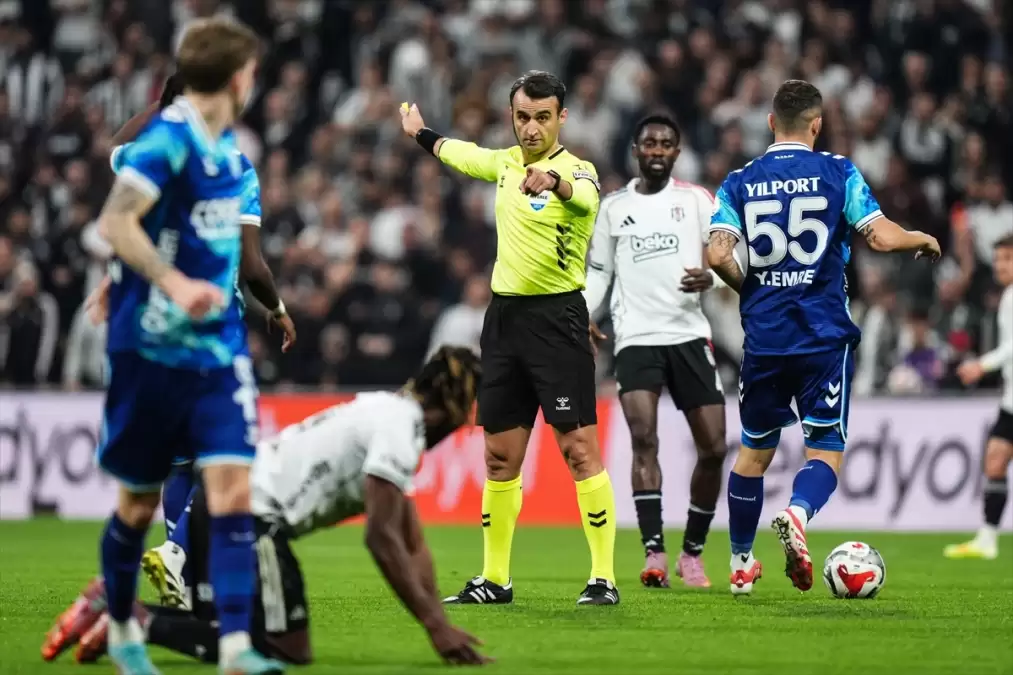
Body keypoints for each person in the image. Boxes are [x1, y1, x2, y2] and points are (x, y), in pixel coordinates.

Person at [41, 347, 492, 667]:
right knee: (286, 648)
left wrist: (440, 618)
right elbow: (382, 538)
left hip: (218, 505)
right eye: (467, 408)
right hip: (252, 520)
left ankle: (113, 605)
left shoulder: (387, 410)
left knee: (222, 631)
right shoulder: (400, 427)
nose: (464, 424)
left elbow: (412, 541)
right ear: (451, 405)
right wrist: (434, 626)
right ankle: (131, 619)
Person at [89, 18, 283, 674]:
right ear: (238, 78)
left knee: (231, 489)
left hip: (218, 351)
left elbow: (214, 245)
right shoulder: (166, 144)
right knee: (137, 503)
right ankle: (122, 629)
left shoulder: (231, 156)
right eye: (251, 71)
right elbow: (116, 220)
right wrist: (167, 282)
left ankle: (234, 646)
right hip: (151, 352)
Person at [706, 79, 941, 596]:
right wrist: (920, 237)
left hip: (765, 339)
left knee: (754, 452)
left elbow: (718, 254)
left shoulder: (739, 181)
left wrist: (752, 290)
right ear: (817, 124)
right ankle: (797, 512)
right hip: (822, 337)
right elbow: (880, 235)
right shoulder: (838, 172)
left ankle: (741, 566)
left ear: (771, 122)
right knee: (825, 451)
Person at [399, 70, 619, 606]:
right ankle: (495, 579)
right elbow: (462, 154)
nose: (531, 127)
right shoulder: (504, 164)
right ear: (512, 117)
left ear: (561, 118)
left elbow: (585, 199)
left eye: (543, 117)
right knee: (499, 457)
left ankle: (604, 579)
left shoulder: (578, 170)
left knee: (579, 450)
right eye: (523, 117)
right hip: (503, 323)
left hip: (558, 320)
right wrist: (421, 133)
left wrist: (553, 182)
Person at [583, 114, 737, 589]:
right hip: (636, 338)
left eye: (665, 144)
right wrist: (583, 313)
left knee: (714, 447)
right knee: (643, 439)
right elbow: (600, 272)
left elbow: (733, 254)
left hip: (688, 335)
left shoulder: (697, 200)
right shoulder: (613, 207)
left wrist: (713, 278)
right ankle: (654, 552)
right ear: (636, 150)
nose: (656, 150)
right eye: (649, 143)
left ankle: (692, 553)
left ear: (676, 152)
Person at [945, 234, 1013, 560]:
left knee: (995, 458)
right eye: (998, 259)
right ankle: (987, 539)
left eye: (1007, 259)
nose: (1000, 265)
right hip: (1012, 399)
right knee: (995, 460)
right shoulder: (1008, 295)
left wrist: (981, 365)